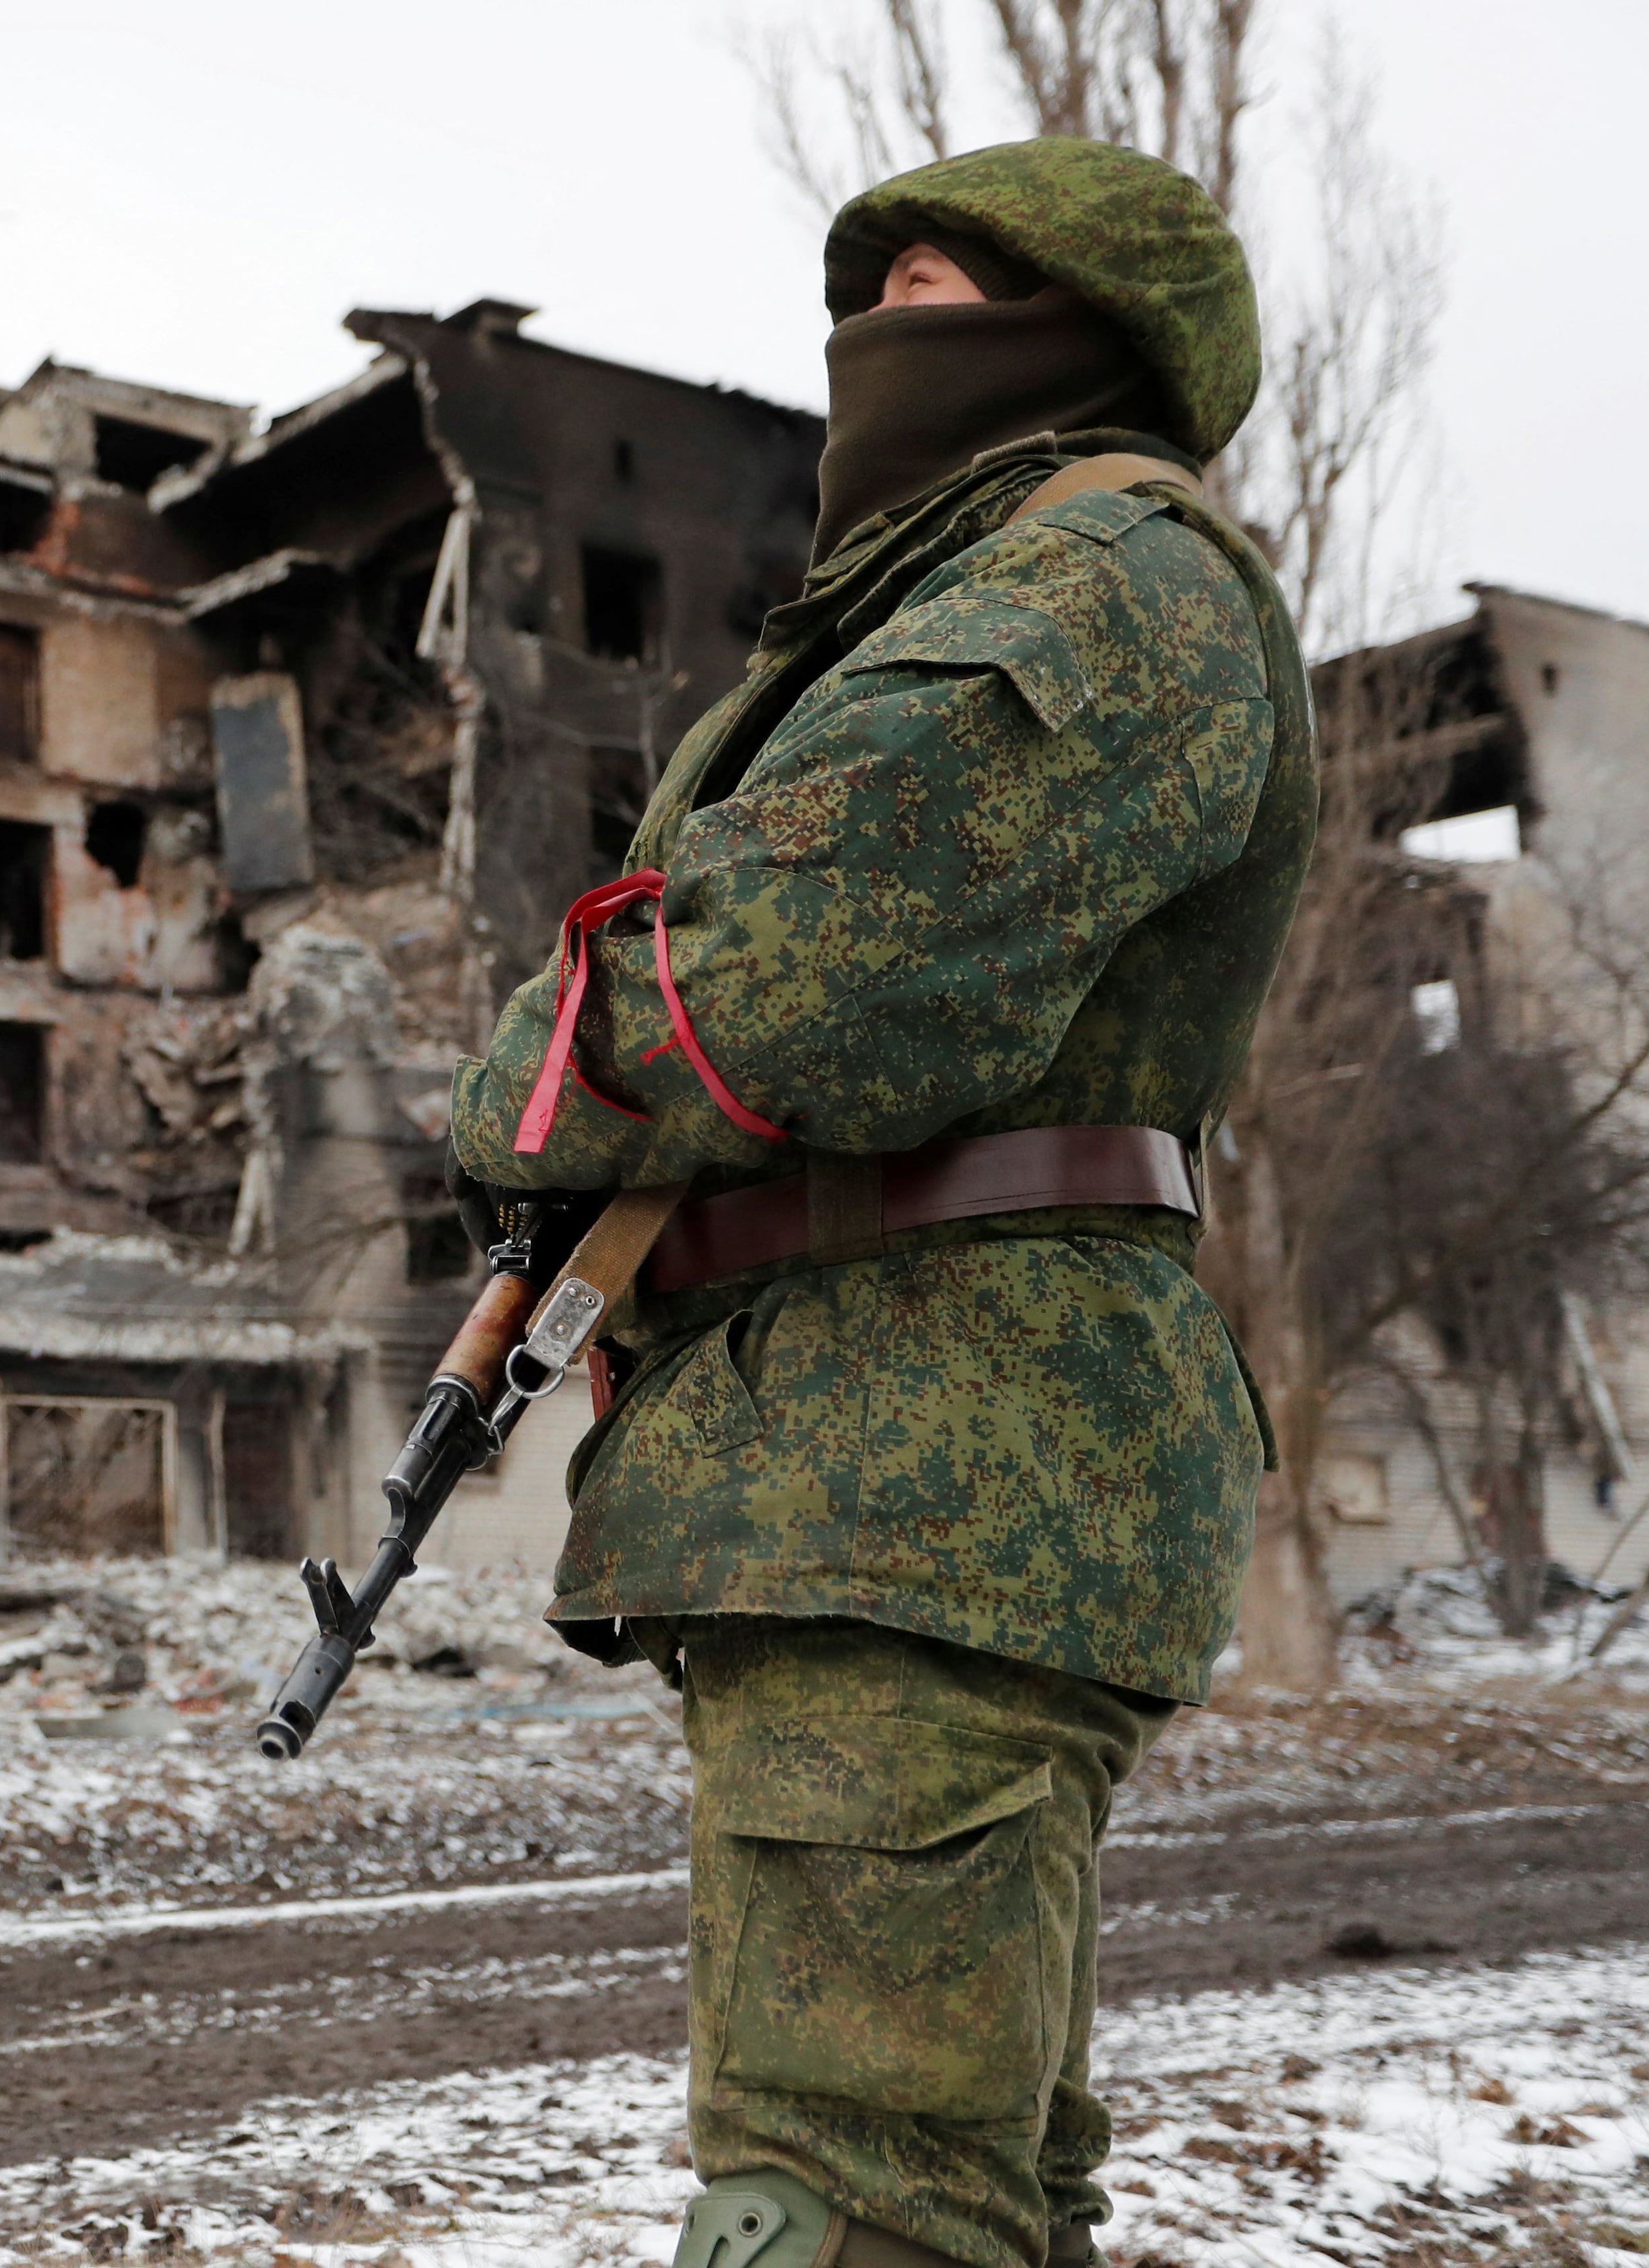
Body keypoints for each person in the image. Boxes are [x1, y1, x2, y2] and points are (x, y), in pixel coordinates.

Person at [447, 138, 1315, 2268]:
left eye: (940, 298)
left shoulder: (1105, 577)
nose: (878, 342)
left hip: (935, 1476)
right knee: (962, 2195)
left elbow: (808, 975)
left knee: (833, 2212)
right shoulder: (933, 602)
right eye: (872, 297)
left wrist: (519, 1082)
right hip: (879, 1478)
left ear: (1084, 342)